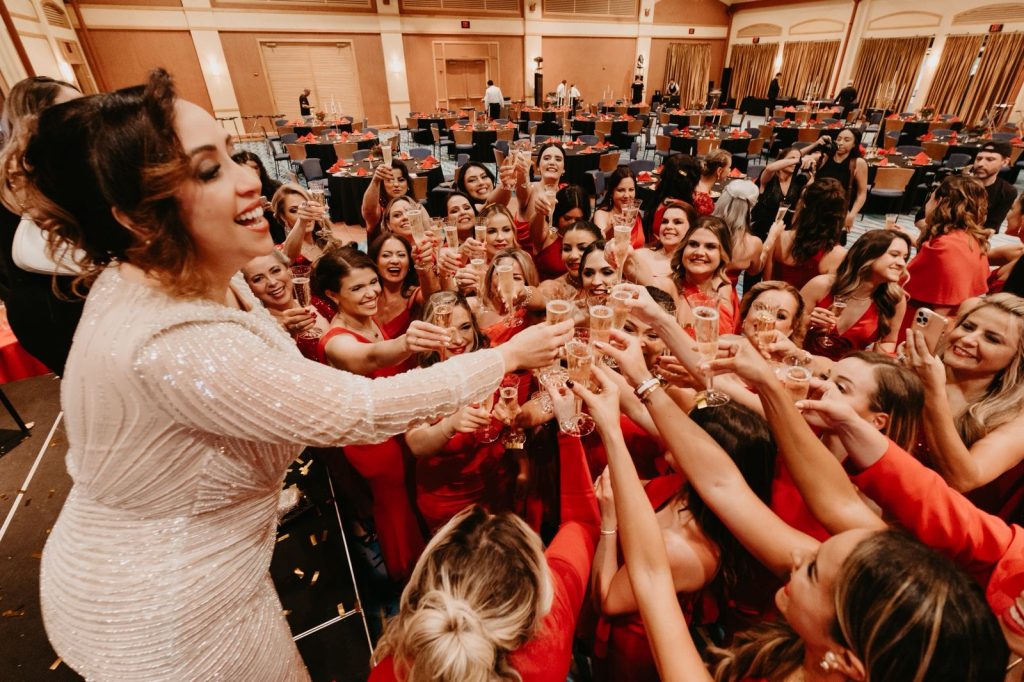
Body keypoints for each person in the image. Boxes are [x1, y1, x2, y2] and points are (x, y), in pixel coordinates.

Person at [24, 69, 573, 680]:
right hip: (162, 605)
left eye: (234, 159)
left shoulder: (203, 275)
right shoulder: (174, 342)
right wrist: (506, 357)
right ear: (137, 218)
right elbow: (361, 411)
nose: (249, 180)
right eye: (209, 171)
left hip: (218, 564)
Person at [587, 324, 1007, 682]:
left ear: (844, 660)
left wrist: (611, 433)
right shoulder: (838, 616)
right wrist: (645, 384)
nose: (791, 559)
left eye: (810, 569)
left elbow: (651, 574)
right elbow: (722, 484)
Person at [369, 425, 599, 682]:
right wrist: (569, 429)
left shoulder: (394, 672)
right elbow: (582, 524)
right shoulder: (554, 622)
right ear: (533, 590)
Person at [904, 293, 1024, 523]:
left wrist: (931, 391)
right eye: (967, 327)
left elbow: (963, 479)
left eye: (992, 339)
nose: (968, 339)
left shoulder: (1017, 418)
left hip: (931, 525)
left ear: (1016, 359)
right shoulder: (911, 370)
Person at [0, 75, 83, 376]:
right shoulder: (20, 179)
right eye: (71, 110)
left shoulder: (71, 167)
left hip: (76, 300)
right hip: (54, 315)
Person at [800, 229, 910, 357]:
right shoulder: (821, 285)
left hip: (845, 372)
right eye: (894, 255)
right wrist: (808, 321)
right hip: (800, 364)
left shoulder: (895, 299)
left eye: (905, 258)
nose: (902, 263)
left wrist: (877, 357)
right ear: (868, 254)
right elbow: (787, 325)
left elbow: (889, 341)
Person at [901, 175, 989, 333]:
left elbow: (940, 309)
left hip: (918, 325)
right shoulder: (971, 239)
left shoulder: (944, 247)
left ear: (940, 201)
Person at [766, 177, 847, 290]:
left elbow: (766, 282)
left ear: (802, 205)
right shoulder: (838, 255)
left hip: (771, 302)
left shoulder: (779, 236)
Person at [804, 128, 868, 231]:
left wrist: (852, 215)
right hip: (814, 209)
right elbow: (796, 157)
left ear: (854, 144)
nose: (841, 143)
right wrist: (815, 145)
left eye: (847, 140)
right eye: (839, 139)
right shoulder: (824, 157)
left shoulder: (858, 163)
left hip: (837, 213)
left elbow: (862, 193)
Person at [232, 150, 285, 243]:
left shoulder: (275, 186)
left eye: (255, 167)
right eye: (247, 168)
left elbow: (289, 213)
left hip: (277, 229)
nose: (252, 172)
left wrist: (276, 210)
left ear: (261, 169)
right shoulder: (233, 192)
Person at [693, 150, 730, 217]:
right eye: (729, 167)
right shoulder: (704, 201)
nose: (729, 170)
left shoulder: (695, 181)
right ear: (719, 170)